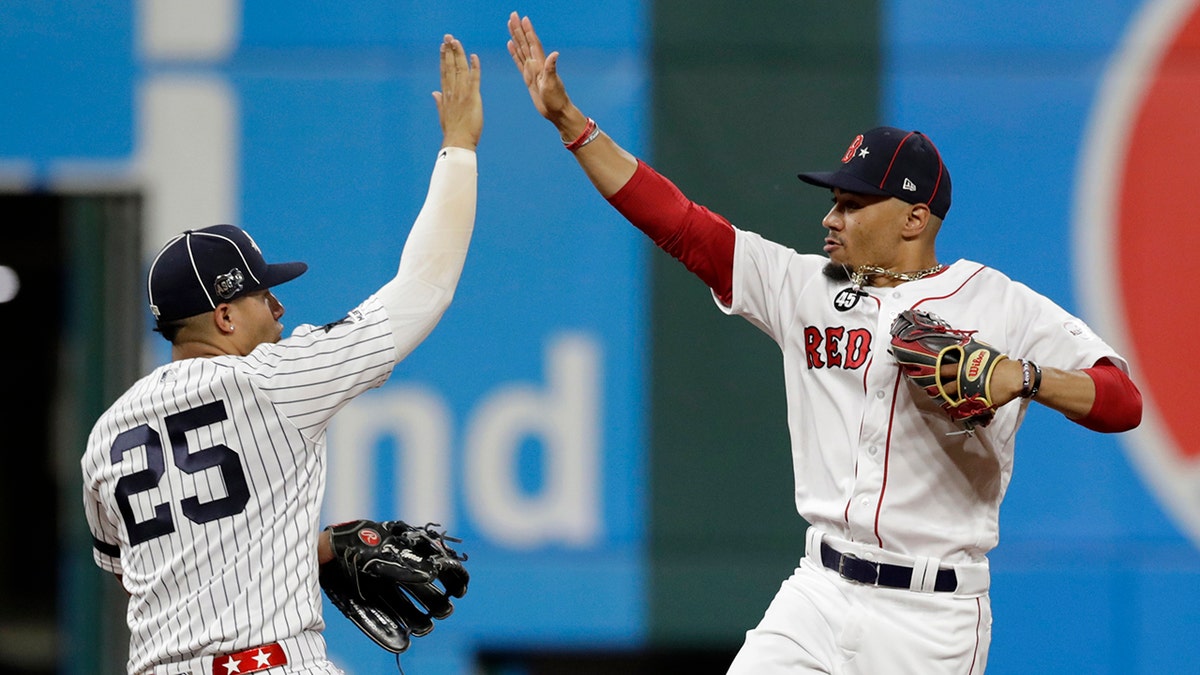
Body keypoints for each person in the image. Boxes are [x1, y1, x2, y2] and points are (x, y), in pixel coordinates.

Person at [507, 12, 1142, 674]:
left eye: (851, 204)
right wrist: (573, 127)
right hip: (820, 589)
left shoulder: (997, 302)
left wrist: (1027, 378)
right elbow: (683, 226)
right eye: (835, 199)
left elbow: (1124, 399)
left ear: (914, 218)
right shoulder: (806, 286)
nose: (830, 218)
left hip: (931, 619)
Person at [80, 34, 482, 675]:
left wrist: (315, 548)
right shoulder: (273, 380)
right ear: (226, 313)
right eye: (266, 295)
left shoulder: (104, 437)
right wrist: (459, 147)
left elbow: (154, 568)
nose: (281, 309)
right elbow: (422, 290)